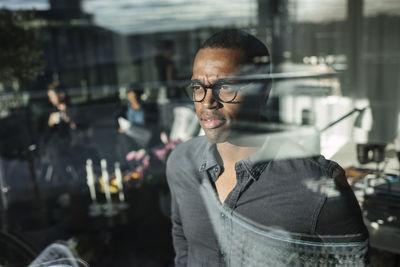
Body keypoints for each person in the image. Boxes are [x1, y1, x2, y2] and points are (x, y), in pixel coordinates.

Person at [166, 29, 368, 266]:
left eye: (226, 86)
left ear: (263, 89)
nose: (208, 102)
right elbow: (184, 245)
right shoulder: (181, 163)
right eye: (198, 87)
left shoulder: (317, 183)